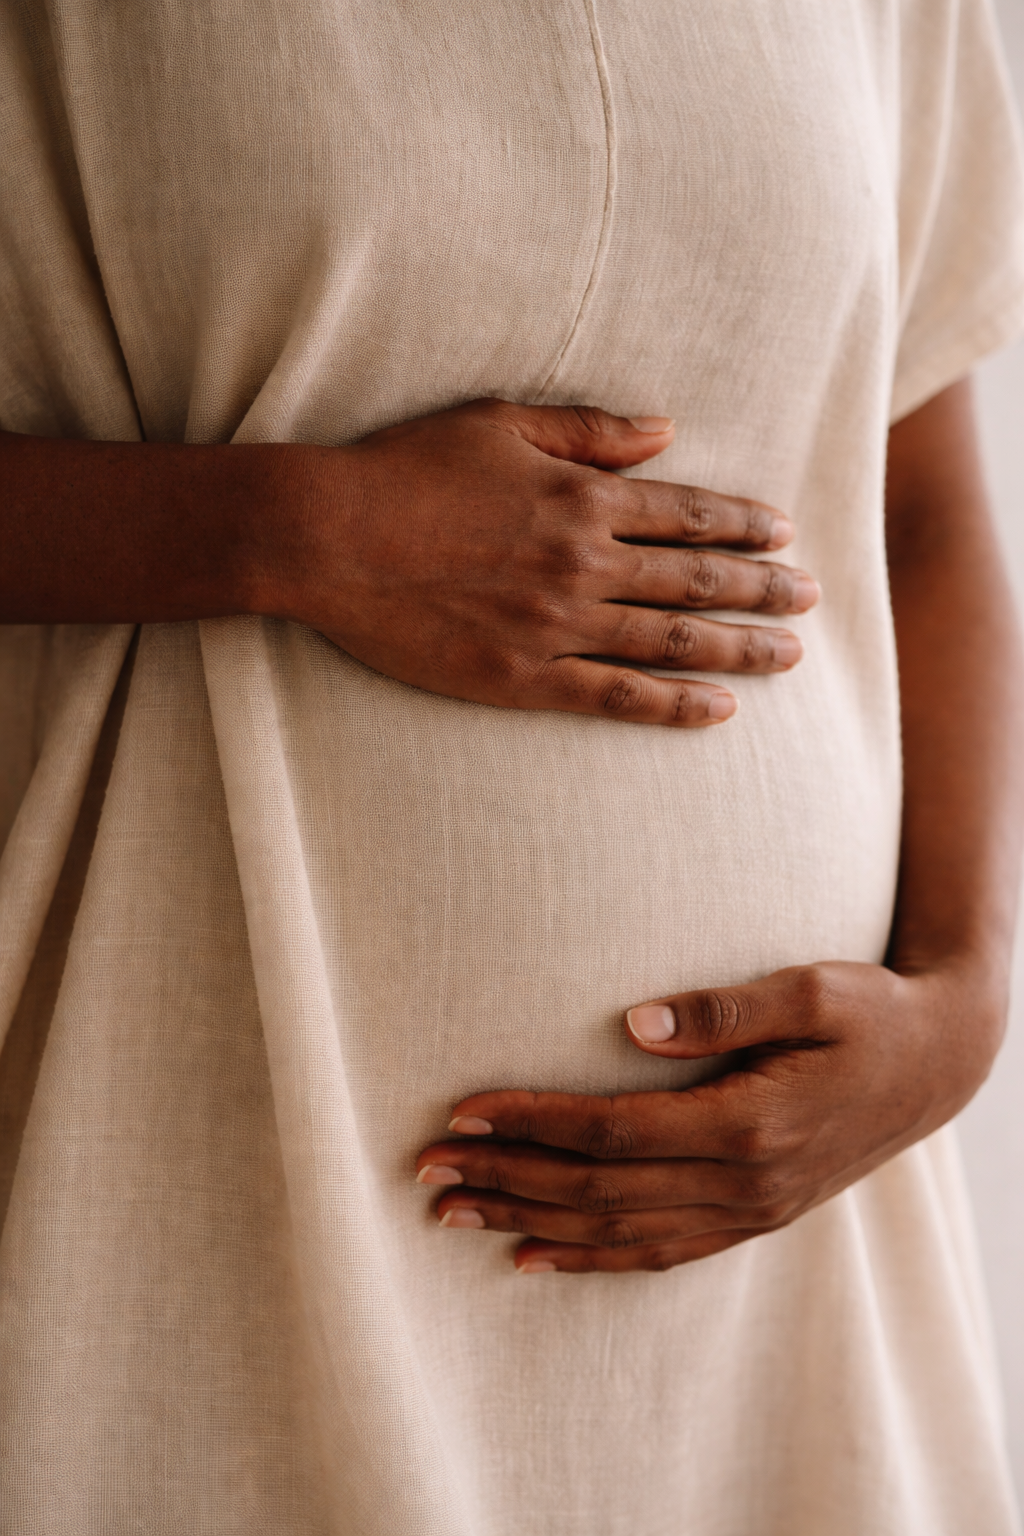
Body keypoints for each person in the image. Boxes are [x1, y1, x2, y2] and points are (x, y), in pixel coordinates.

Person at [2, 0, 1024, 1531]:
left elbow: (923, 511)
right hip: (189, 1168)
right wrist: (291, 533)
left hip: (784, 1261)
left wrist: (961, 1006)